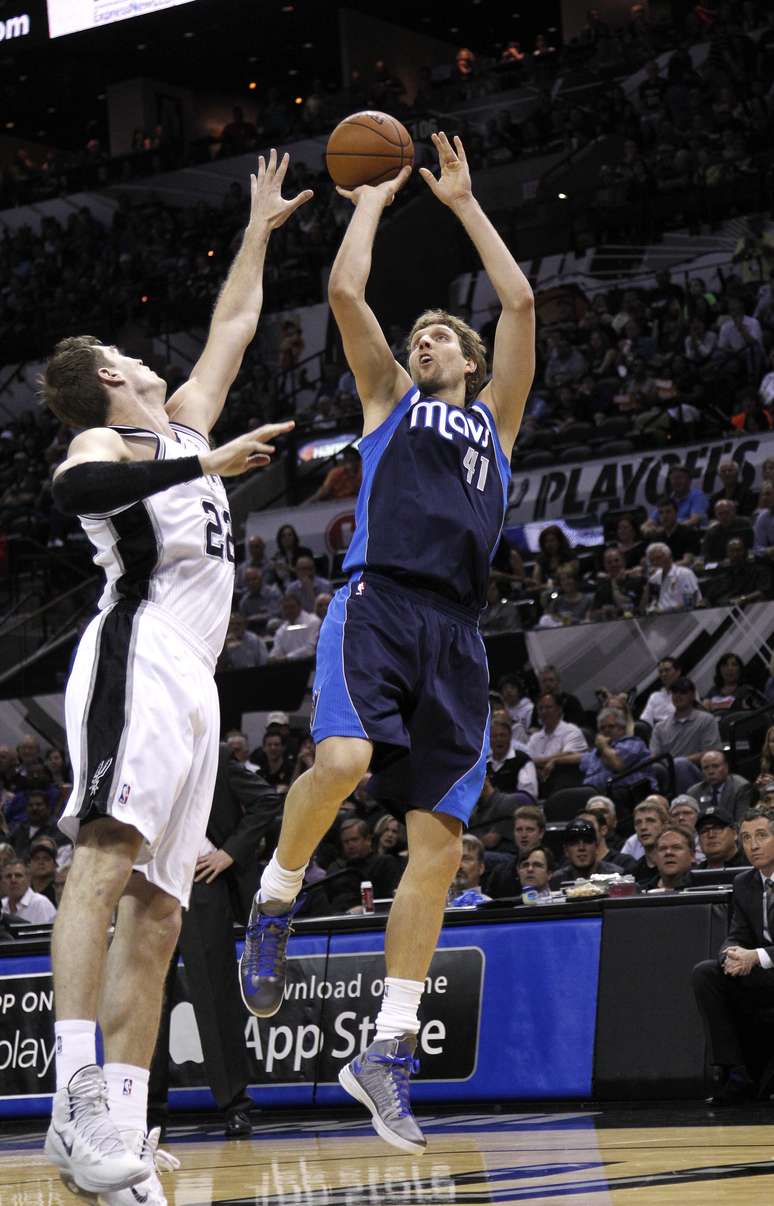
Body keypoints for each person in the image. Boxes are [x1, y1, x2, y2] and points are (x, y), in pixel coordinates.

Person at [238, 130, 535, 1154]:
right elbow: (345, 299)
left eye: (446, 334)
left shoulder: (498, 422)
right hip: (380, 604)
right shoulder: (389, 403)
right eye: (422, 335)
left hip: (458, 633)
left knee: (439, 849)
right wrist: (367, 198)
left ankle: (388, 1050)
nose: (427, 341)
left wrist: (461, 203)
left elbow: (525, 305)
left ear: (475, 358)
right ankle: (276, 894)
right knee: (346, 759)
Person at [40, 150, 311, 1201]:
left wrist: (256, 229)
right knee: (105, 858)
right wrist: (203, 466)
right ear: (109, 374)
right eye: (120, 349)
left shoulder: (188, 415)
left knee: (160, 910)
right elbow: (75, 492)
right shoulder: (107, 435)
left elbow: (234, 325)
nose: (139, 354)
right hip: (135, 650)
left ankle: (122, 1120)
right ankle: (73, 1100)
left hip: (196, 681)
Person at [149, 742, 280, 1139]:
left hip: (201, 884)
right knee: (148, 1000)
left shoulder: (211, 753)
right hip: (150, 885)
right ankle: (147, 1111)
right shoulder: (137, 757)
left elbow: (267, 802)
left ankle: (235, 1104)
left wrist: (230, 852)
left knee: (214, 996)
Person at [692, 810, 774, 1105]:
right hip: (762, 973)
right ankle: (735, 1071)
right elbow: (737, 932)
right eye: (747, 838)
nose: (753, 845)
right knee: (706, 973)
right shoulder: (743, 883)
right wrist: (731, 954)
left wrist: (757, 956)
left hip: (767, 965)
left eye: (762, 836)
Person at [650, 677, 721, 793]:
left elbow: (712, 752)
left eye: (683, 692)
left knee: (680, 764)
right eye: (675, 692)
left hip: (700, 773)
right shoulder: (660, 727)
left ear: (692, 695)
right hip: (668, 775)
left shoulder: (706, 719)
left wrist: (678, 762)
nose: (678, 695)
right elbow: (654, 757)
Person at [324, 818, 404, 912]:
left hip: (372, 922)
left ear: (368, 840)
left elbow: (392, 902)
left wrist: (365, 909)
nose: (350, 845)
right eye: (346, 842)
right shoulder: (335, 868)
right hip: (336, 922)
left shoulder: (384, 863)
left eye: (354, 840)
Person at [526, 691, 588, 798]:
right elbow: (526, 760)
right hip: (540, 782)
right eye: (540, 708)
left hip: (567, 782)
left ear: (559, 709)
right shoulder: (535, 738)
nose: (544, 711)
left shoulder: (572, 731)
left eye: (548, 707)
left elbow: (569, 755)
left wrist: (538, 762)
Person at [579, 707, 654, 794]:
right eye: (602, 728)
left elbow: (617, 765)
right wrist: (559, 758)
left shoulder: (633, 743)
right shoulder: (597, 751)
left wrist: (603, 746)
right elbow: (579, 757)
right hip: (599, 796)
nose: (606, 730)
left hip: (633, 794)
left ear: (622, 729)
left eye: (611, 726)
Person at [548, 817, 620, 888]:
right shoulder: (557, 881)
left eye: (587, 841)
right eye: (574, 843)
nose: (581, 848)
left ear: (596, 847)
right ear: (566, 850)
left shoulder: (616, 876)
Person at [687, 750, 755, 822]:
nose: (711, 772)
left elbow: (741, 822)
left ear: (726, 767)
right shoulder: (694, 792)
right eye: (706, 768)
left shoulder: (740, 787)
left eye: (715, 766)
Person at [644, 543, 702, 612]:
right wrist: (648, 582)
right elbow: (644, 607)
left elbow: (690, 603)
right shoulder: (654, 578)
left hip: (684, 616)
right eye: (652, 560)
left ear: (669, 556)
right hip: (661, 618)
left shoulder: (684, 573)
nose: (655, 562)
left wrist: (665, 611)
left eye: (658, 558)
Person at [1, 857, 57, 923]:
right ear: (2, 882)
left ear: (28, 879)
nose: (13, 880)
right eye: (8, 876)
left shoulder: (41, 904)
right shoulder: (2, 905)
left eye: (18, 875)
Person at [268, 593, 321, 661]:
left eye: (292, 607)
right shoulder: (280, 631)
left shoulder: (313, 621)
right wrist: (272, 657)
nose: (289, 611)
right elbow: (277, 650)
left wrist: (287, 657)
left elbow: (311, 649)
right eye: (285, 608)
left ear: (300, 607)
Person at [639, 656, 681, 730]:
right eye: (660, 672)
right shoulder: (655, 696)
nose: (663, 674)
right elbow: (645, 722)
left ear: (678, 672)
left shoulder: (687, 694)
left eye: (667, 670)